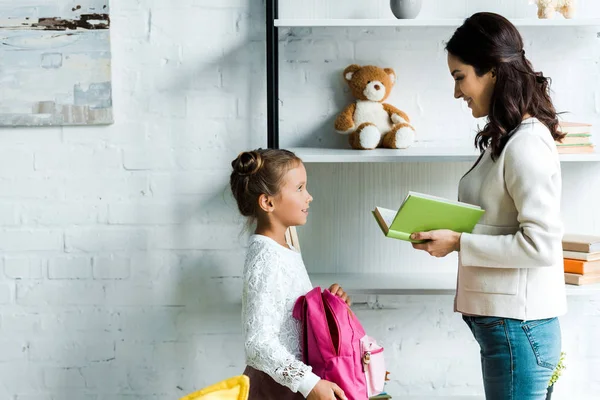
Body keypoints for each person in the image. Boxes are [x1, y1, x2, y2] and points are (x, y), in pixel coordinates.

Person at [409, 12, 567, 400]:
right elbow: (500, 219)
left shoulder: (527, 144)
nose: (457, 92)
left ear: (493, 72)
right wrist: (449, 231)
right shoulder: (508, 139)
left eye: (459, 77)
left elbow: (541, 245)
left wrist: (460, 241)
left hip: (518, 329)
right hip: (510, 329)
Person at [229, 148, 350, 400]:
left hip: (290, 387)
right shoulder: (265, 257)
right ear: (268, 202)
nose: (309, 197)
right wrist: (310, 384)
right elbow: (258, 344)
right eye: (299, 188)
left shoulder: (285, 247)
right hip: (275, 390)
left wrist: (327, 307)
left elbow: (289, 319)